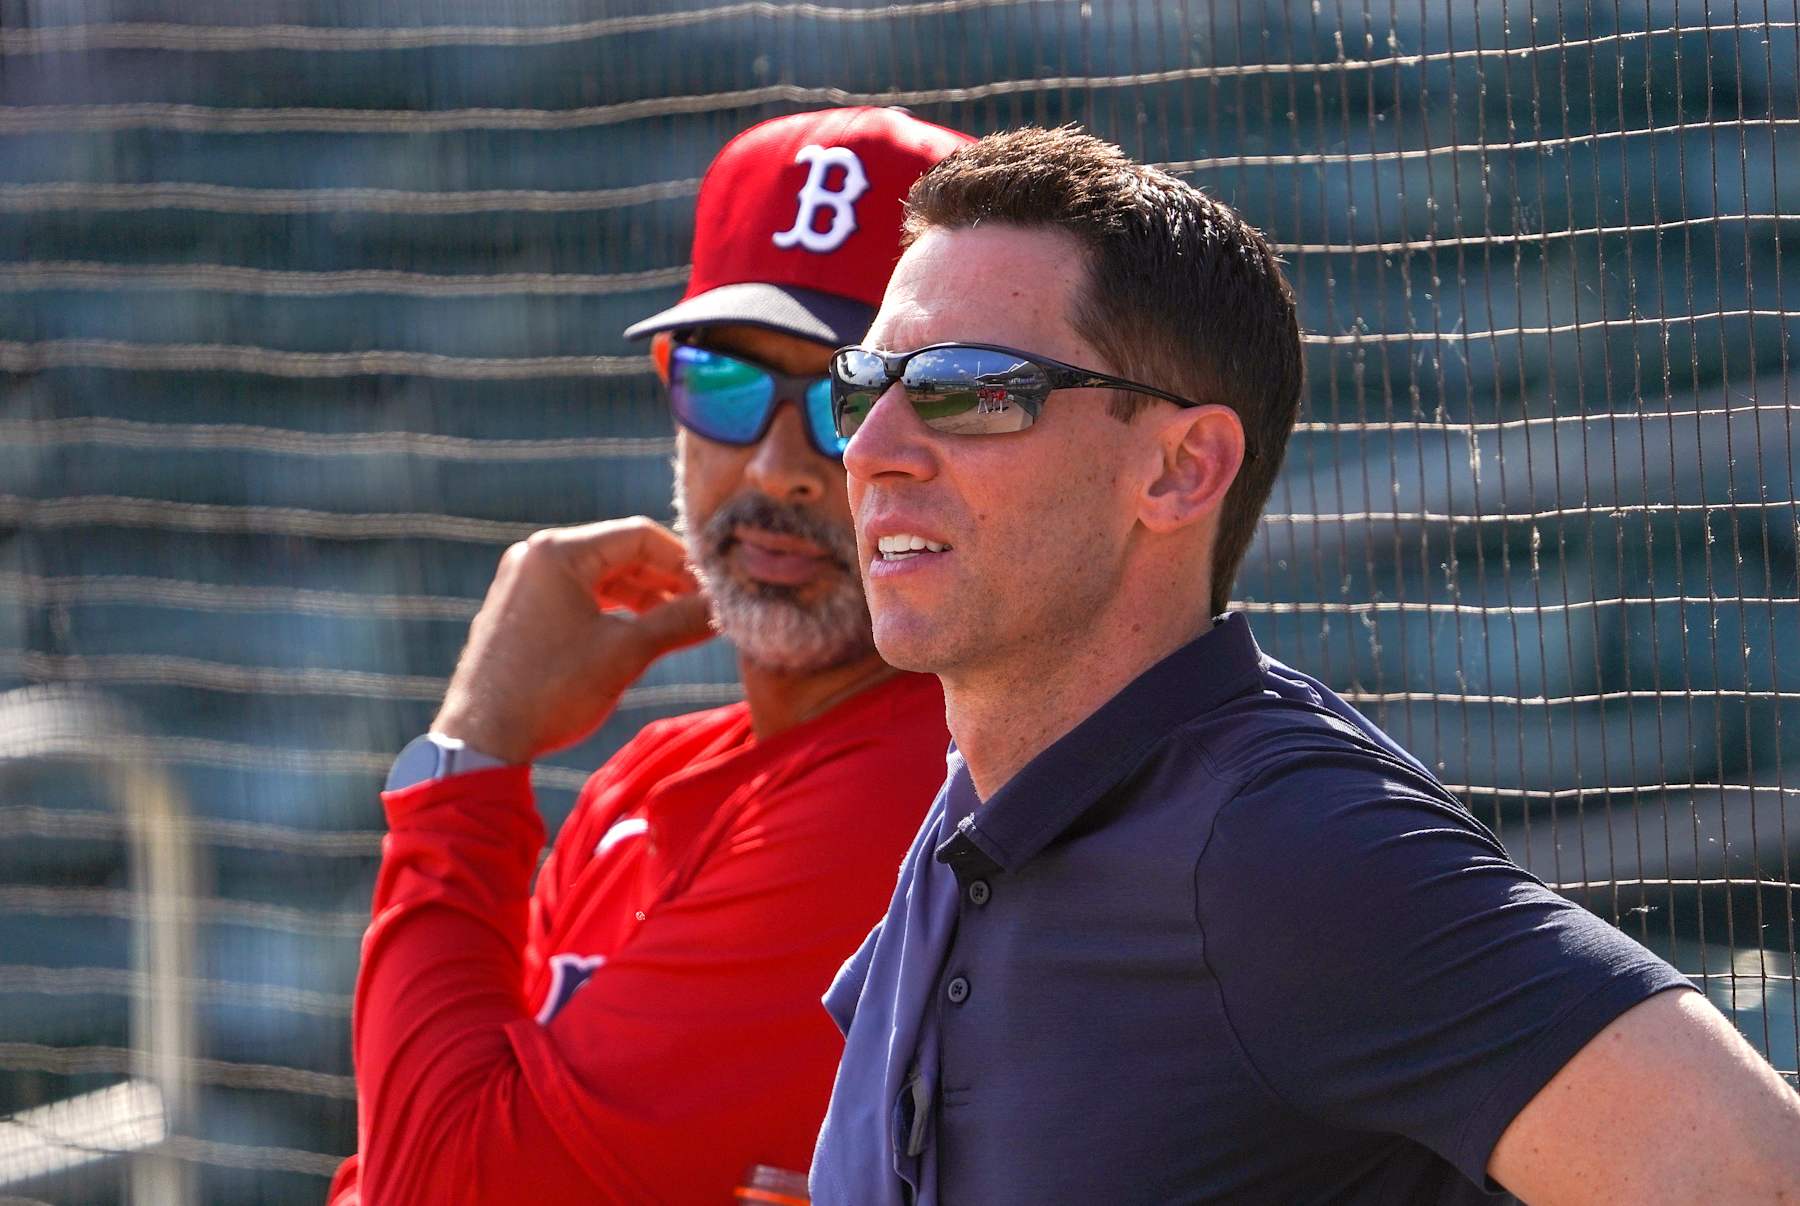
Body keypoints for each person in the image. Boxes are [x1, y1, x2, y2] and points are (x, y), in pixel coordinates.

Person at [810, 126, 1800, 1204]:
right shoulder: (984, 809)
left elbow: (1758, 1175)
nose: (870, 449)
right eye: (863, 385)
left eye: (968, 388)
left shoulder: (1288, 845)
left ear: (1183, 470)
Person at [328, 107, 971, 1206]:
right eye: (721, 379)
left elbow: (441, 1186)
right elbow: (397, 1169)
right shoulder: (647, 775)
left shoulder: (911, 792)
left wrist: (470, 754)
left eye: (850, 398)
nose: (776, 467)